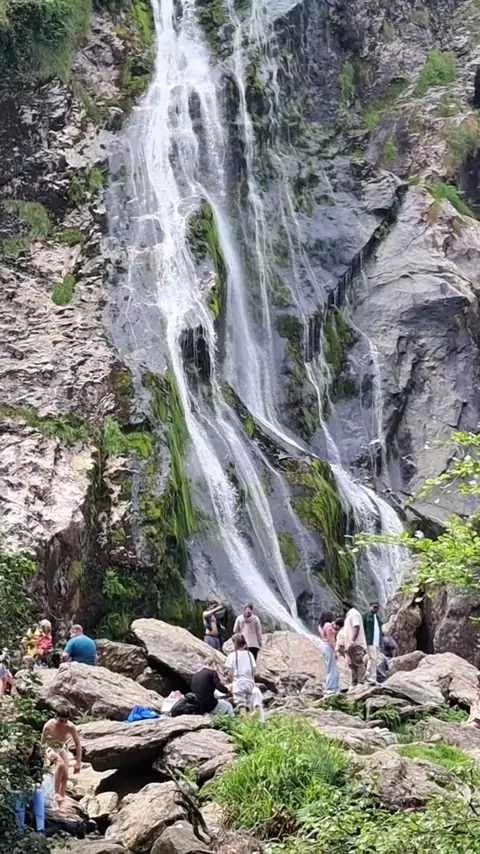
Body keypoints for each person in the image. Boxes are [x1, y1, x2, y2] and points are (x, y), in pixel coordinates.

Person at [41, 706, 82, 807]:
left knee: (65, 774)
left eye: (65, 721)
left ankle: (60, 802)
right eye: (61, 721)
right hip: (49, 748)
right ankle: (55, 794)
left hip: (60, 747)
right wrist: (44, 758)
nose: (63, 723)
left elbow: (77, 744)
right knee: (60, 765)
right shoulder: (48, 726)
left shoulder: (70, 726)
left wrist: (78, 763)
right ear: (55, 717)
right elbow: (43, 743)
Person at [15, 741, 46, 834]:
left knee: (38, 792)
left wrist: (35, 784)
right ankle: (20, 829)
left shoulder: (38, 756)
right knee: (19, 795)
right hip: (19, 786)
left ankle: (40, 828)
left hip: (32, 785)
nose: (27, 750)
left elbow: (38, 776)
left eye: (29, 746)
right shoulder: (15, 758)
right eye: (24, 748)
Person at [225, 633, 256, 714]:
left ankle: (244, 721)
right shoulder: (250, 654)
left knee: (241, 706)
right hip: (250, 683)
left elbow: (230, 672)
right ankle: (250, 721)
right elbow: (254, 670)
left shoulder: (232, 655)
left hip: (239, 683)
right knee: (249, 706)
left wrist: (232, 682)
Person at [343, 602, 367, 689]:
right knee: (353, 664)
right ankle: (354, 683)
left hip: (355, 643)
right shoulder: (350, 614)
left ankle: (361, 682)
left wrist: (352, 641)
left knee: (359, 662)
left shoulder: (353, 614)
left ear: (346, 606)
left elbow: (356, 627)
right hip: (351, 644)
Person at [317, 611, 340, 694]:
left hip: (324, 646)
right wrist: (335, 651)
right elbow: (331, 639)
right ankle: (331, 688)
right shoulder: (328, 625)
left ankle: (331, 687)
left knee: (330, 667)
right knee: (332, 668)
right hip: (329, 647)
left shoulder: (321, 625)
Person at [362, 601, 383, 685]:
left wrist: (381, 642)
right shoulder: (365, 616)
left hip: (377, 642)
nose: (376, 609)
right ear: (370, 606)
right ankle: (372, 678)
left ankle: (369, 676)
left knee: (375, 660)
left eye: (377, 608)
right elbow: (362, 629)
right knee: (373, 659)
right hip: (370, 641)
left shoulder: (377, 618)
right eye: (374, 607)